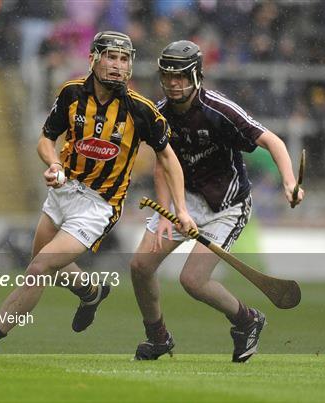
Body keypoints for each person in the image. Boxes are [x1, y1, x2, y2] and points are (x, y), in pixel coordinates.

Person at [0, 31, 196, 362]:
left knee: (39, 267)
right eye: (111, 57)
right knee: (43, 261)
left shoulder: (142, 110)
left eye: (124, 59)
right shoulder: (70, 93)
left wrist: (180, 209)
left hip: (99, 205)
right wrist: (53, 163)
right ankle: (91, 292)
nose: (117, 66)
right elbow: (46, 139)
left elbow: (168, 159)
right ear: (93, 58)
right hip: (63, 191)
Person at [129, 40, 304, 363]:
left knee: (192, 281)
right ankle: (158, 337)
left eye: (180, 77)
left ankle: (246, 320)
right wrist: (168, 213)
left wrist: (290, 182)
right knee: (140, 266)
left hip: (228, 206)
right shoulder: (160, 114)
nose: (173, 84)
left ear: (196, 76)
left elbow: (272, 141)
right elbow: (161, 164)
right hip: (184, 200)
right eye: (167, 77)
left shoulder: (219, 110)